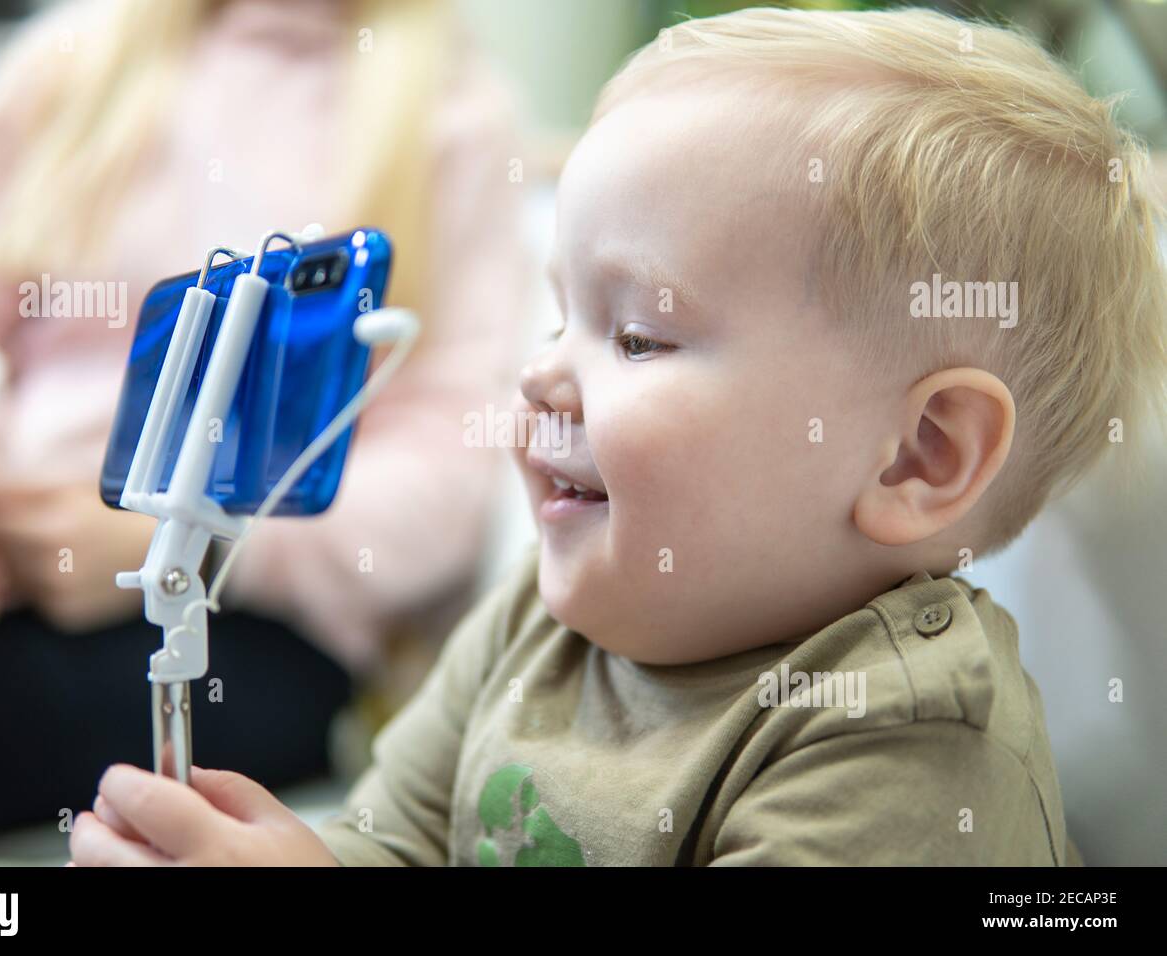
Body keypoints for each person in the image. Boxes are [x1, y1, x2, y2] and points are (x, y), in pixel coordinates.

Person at [70, 5, 1163, 865]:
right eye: (559, 315)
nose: (542, 370)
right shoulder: (540, 620)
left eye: (637, 335)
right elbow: (393, 842)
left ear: (919, 455)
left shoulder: (902, 745)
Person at [0, 0, 526, 864]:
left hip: (250, 618)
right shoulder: (64, 58)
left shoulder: (450, 116)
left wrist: (178, 543)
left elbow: (441, 484)